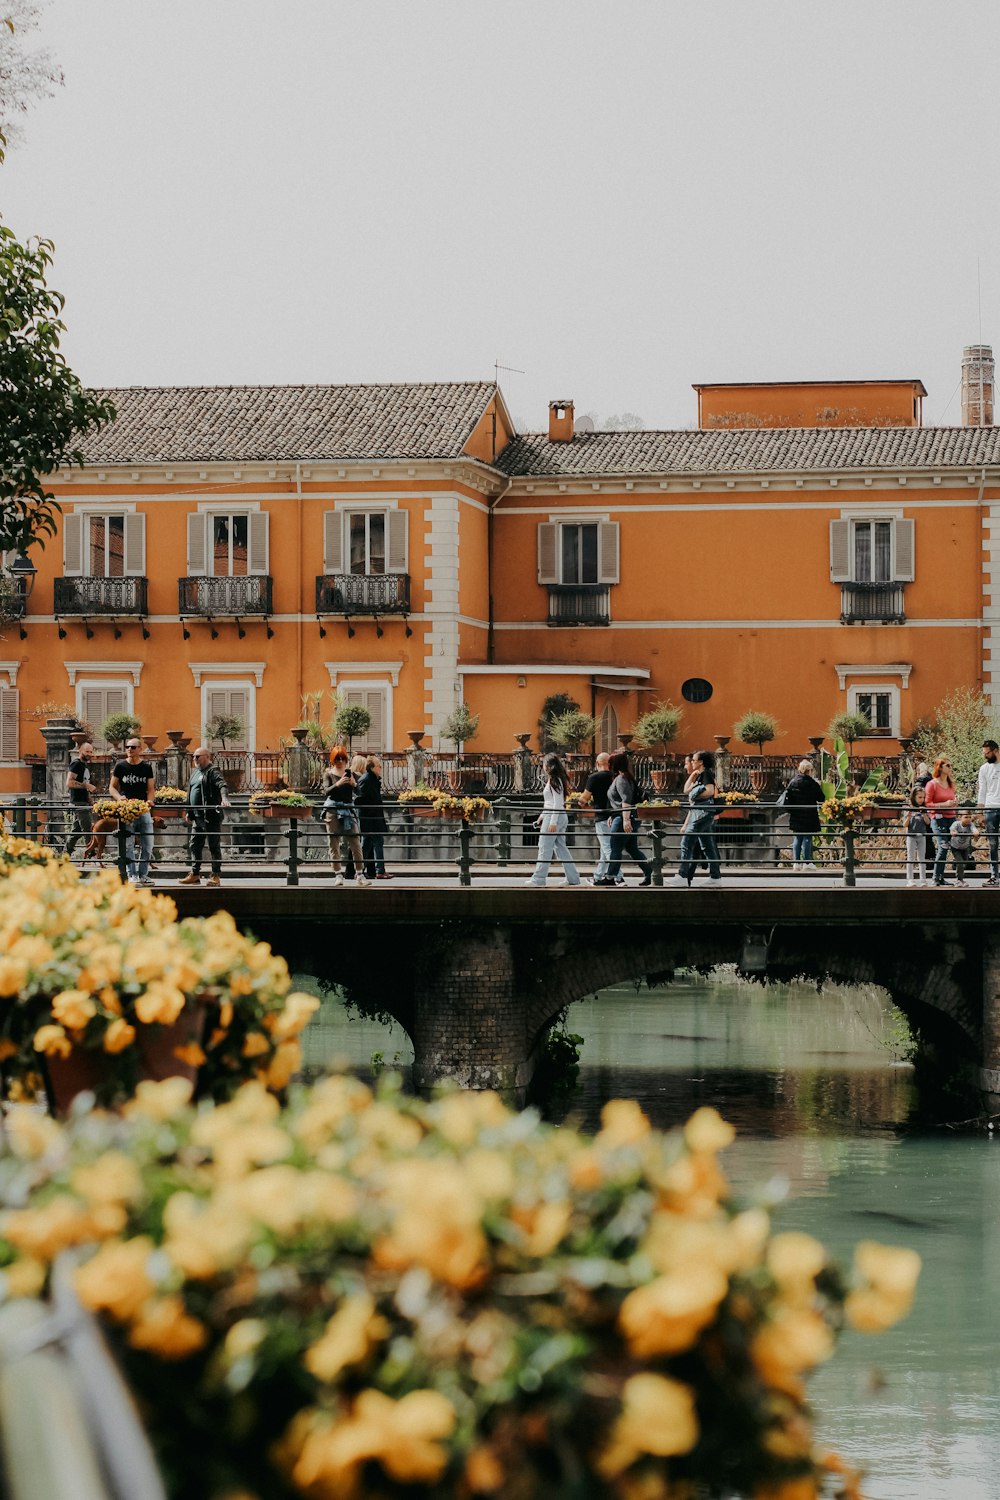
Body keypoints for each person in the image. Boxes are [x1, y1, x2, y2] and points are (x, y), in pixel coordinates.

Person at [526, 753, 581, 887]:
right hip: (557, 815)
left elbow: (557, 803)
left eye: (544, 764)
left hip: (554, 815)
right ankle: (573, 878)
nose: (543, 767)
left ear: (549, 766)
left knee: (544, 847)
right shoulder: (557, 779)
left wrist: (552, 822)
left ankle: (539, 878)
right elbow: (551, 803)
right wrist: (541, 817)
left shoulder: (555, 780)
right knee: (561, 848)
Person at [179, 746, 230, 886]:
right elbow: (190, 793)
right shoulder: (195, 773)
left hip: (211, 815)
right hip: (197, 816)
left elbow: (222, 785)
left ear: (207, 757)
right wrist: (189, 811)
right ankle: (195, 874)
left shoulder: (213, 771)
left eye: (198, 756)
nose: (194, 759)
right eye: (193, 757)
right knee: (194, 845)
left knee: (214, 846)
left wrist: (224, 798)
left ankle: (215, 876)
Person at [671, 748, 721, 887]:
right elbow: (686, 790)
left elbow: (710, 791)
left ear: (700, 762)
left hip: (702, 813)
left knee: (686, 843)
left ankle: (682, 875)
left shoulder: (706, 774)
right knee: (707, 846)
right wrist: (692, 776)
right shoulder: (700, 775)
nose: (692, 762)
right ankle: (715, 878)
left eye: (693, 760)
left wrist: (695, 794)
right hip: (701, 813)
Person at [109, 737, 156, 885]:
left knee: (148, 843)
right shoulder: (120, 766)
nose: (129, 749)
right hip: (127, 810)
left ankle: (143, 874)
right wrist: (119, 797)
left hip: (142, 808)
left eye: (133, 747)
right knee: (128, 844)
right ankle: (132, 874)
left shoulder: (146, 767)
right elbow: (112, 787)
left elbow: (150, 789)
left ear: (139, 749)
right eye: (128, 747)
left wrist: (150, 800)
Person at [321, 748, 369, 887]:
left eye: (342, 758)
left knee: (355, 842)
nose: (340, 761)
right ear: (333, 760)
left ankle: (360, 875)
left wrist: (354, 784)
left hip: (348, 809)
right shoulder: (328, 774)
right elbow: (326, 791)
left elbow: (360, 793)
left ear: (346, 759)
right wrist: (338, 784)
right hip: (333, 810)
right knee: (334, 843)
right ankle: (338, 875)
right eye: (337, 759)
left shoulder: (352, 774)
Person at [606, 751, 653, 887]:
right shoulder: (626, 778)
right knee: (632, 848)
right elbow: (620, 800)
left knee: (615, 847)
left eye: (610, 762)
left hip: (623, 818)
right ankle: (649, 871)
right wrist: (613, 815)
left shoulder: (621, 779)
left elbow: (626, 800)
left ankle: (610, 877)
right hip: (625, 816)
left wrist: (625, 819)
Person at [782, 758, 824, 870]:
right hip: (809, 814)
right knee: (807, 838)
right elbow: (821, 798)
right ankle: (807, 862)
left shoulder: (793, 782)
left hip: (796, 814)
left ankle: (796, 863)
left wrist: (793, 810)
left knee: (797, 838)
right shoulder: (812, 783)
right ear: (809, 771)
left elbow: (788, 799)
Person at [925, 756, 959, 887]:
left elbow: (950, 799)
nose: (950, 768)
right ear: (940, 767)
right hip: (938, 819)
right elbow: (928, 804)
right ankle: (935, 878)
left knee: (948, 847)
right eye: (948, 766)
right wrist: (944, 804)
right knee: (943, 846)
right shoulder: (932, 784)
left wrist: (954, 803)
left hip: (951, 818)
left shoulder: (950, 783)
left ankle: (940, 877)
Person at [356, 755, 390, 880]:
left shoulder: (371, 779)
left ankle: (360, 870)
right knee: (377, 842)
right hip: (370, 818)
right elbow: (359, 799)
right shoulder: (366, 779)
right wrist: (371, 810)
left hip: (372, 817)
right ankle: (379, 871)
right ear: (372, 768)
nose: (380, 768)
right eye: (379, 766)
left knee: (367, 844)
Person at [584, 751, 615, 886]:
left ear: (597, 764)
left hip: (601, 817)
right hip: (614, 816)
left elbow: (583, 799)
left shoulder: (594, 778)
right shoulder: (615, 777)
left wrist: (580, 801)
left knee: (607, 848)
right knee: (604, 849)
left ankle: (618, 876)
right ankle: (598, 875)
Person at [64, 740, 95, 859]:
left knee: (76, 830)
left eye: (91, 752)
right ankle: (92, 855)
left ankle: (66, 853)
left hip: (83, 801)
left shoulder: (84, 765)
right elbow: (69, 782)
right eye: (87, 751)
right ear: (80, 751)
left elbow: (84, 783)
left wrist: (89, 798)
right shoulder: (76, 764)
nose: (89, 754)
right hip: (78, 802)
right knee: (87, 829)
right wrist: (87, 786)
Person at [977, 740, 1000, 888]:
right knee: (993, 843)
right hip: (991, 808)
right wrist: (980, 811)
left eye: (988, 753)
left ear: (996, 750)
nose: (985, 756)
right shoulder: (984, 768)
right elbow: (982, 790)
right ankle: (994, 875)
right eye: (984, 753)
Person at [904, 786, 931, 888]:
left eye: (923, 797)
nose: (921, 800)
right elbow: (905, 825)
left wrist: (924, 814)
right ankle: (910, 879)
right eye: (919, 797)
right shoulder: (909, 808)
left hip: (921, 835)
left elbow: (928, 822)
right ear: (914, 797)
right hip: (911, 835)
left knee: (921, 858)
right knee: (910, 857)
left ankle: (923, 879)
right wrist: (909, 816)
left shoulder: (924, 808)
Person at [913, 760, 935, 880]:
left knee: (922, 838)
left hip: (921, 813)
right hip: (931, 813)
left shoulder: (919, 783)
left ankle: (924, 862)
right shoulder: (932, 782)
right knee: (929, 837)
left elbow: (915, 799)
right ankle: (930, 860)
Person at [949, 810, 980, 887]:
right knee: (960, 863)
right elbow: (952, 830)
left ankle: (961, 879)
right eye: (966, 817)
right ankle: (959, 880)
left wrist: (976, 833)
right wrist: (954, 832)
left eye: (970, 817)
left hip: (965, 848)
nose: (968, 819)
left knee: (964, 864)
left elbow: (974, 830)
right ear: (960, 818)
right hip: (956, 847)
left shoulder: (970, 825)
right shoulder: (956, 824)